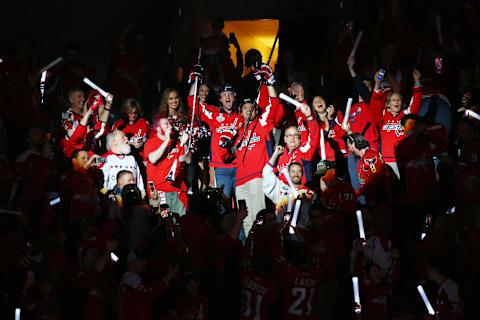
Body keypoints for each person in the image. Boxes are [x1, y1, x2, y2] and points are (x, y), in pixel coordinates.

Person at [220, 66, 279, 235]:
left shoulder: (261, 124)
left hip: (256, 177)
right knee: (245, 221)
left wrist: (268, 83)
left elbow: (273, 104)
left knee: (258, 219)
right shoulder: (238, 132)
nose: (248, 109)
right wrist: (225, 146)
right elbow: (226, 156)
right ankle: (247, 252)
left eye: (251, 107)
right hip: (240, 182)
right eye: (245, 107)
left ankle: (260, 252)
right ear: (241, 112)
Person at [187, 83, 244, 198]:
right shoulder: (213, 114)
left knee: (242, 205)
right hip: (221, 168)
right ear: (220, 99)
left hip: (241, 166)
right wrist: (195, 81)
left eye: (230, 94)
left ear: (235, 96)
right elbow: (193, 103)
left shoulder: (243, 114)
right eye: (224, 95)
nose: (227, 97)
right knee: (224, 205)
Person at [369, 69, 423, 177]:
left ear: (402, 103)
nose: (396, 102)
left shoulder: (406, 115)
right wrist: (377, 84)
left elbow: (416, 104)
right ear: (387, 104)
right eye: (393, 100)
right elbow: (374, 104)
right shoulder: (383, 116)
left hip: (405, 159)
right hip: (387, 161)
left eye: (398, 100)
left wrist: (417, 82)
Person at [143, 116, 191, 216]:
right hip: (160, 192)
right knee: (162, 223)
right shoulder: (151, 142)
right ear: (158, 128)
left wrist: (184, 144)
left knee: (181, 223)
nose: (170, 126)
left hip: (177, 190)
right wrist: (166, 141)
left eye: (170, 123)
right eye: (166, 124)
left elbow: (188, 160)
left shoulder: (177, 142)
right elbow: (153, 158)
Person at [263, 145, 316, 227]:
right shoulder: (280, 188)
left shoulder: (310, 194)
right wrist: (275, 154)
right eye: (293, 171)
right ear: (288, 173)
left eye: (299, 172)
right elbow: (266, 173)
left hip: (301, 234)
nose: (296, 174)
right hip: (281, 232)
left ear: (302, 174)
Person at [118, 251, 180, 320]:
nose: (144, 263)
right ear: (131, 262)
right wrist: (169, 276)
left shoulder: (127, 279)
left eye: (144, 260)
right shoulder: (131, 278)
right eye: (140, 260)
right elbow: (149, 293)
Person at [276, 102, 320, 184]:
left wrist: (309, 117)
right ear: (285, 139)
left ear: (300, 139)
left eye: (295, 135)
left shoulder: (304, 151)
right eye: (289, 135)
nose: (292, 138)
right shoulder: (281, 157)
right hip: (284, 195)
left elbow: (315, 137)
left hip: (302, 193)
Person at [347, 133, 390, 206]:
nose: (349, 149)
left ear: (354, 144)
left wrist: (360, 191)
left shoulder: (369, 157)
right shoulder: (364, 156)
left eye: (349, 146)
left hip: (379, 201)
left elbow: (377, 177)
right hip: (372, 198)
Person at [99, 130, 145, 196]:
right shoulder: (103, 158)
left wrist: (142, 191)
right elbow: (101, 180)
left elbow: (138, 177)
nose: (127, 138)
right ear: (114, 142)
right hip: (113, 199)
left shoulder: (132, 158)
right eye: (123, 137)